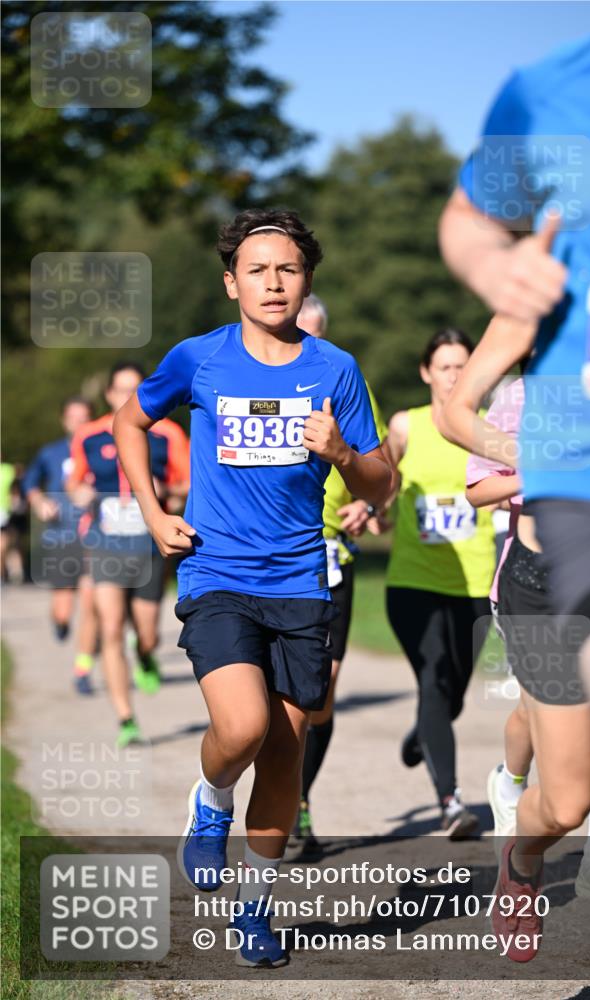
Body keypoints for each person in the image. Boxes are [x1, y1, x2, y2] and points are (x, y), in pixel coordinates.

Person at [440, 5, 590, 990]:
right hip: (577, 526)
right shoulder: (558, 91)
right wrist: (527, 454)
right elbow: (454, 409)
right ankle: (524, 854)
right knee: (573, 797)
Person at [113, 209, 392, 968]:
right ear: (231, 281)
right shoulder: (198, 358)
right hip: (219, 572)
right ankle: (208, 802)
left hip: (301, 580)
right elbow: (128, 421)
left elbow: (382, 478)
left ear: (306, 281)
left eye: (289, 269)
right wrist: (151, 510)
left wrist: (341, 452)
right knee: (241, 729)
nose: (274, 283)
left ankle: (255, 911)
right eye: (258, 270)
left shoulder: (334, 368)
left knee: (284, 756)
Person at [463, 368, 590, 900]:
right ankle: (510, 784)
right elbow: (478, 490)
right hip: (532, 584)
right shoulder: (520, 399)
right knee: (534, 719)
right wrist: (541, 473)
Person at [289, 294, 393, 855]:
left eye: (314, 332)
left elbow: (383, 473)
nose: (306, 341)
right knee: (267, 698)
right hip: (272, 552)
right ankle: (269, 797)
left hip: (332, 554)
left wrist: (371, 508)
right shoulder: (256, 380)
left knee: (320, 696)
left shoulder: (347, 380)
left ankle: (298, 802)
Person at [383, 327, 496, 839]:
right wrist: (373, 510)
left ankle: (421, 735)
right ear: (427, 372)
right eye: (444, 366)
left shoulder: (490, 428)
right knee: (433, 679)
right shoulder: (407, 425)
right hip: (413, 582)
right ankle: (451, 802)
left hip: (475, 582)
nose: (453, 375)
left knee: (450, 698)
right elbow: (380, 478)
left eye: (462, 366)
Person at [67, 362, 190, 746]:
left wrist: (167, 490)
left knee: (149, 632)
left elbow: (188, 483)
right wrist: (78, 494)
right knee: (110, 628)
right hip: (106, 543)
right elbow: (73, 481)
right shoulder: (88, 435)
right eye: (119, 390)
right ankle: (126, 719)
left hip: (149, 543)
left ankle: (148, 655)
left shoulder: (167, 434)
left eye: (133, 389)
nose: (126, 397)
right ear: (108, 395)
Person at [23, 396, 98, 694]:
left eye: (85, 418)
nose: (79, 423)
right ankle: (60, 622)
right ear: (64, 420)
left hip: (95, 534)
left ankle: (82, 671)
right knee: (65, 607)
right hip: (60, 535)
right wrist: (39, 501)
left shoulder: (103, 447)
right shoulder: (50, 453)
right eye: (74, 418)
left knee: (91, 604)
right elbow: (29, 482)